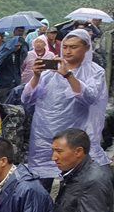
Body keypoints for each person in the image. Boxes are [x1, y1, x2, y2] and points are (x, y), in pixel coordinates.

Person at [22, 29, 110, 183]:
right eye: (65, 47)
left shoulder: (95, 72)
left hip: (75, 134)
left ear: (87, 48)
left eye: (74, 47)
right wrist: (36, 76)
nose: (68, 51)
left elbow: (90, 98)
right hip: (44, 135)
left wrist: (68, 75)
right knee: (43, 180)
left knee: (78, 181)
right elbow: (27, 98)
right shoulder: (50, 71)